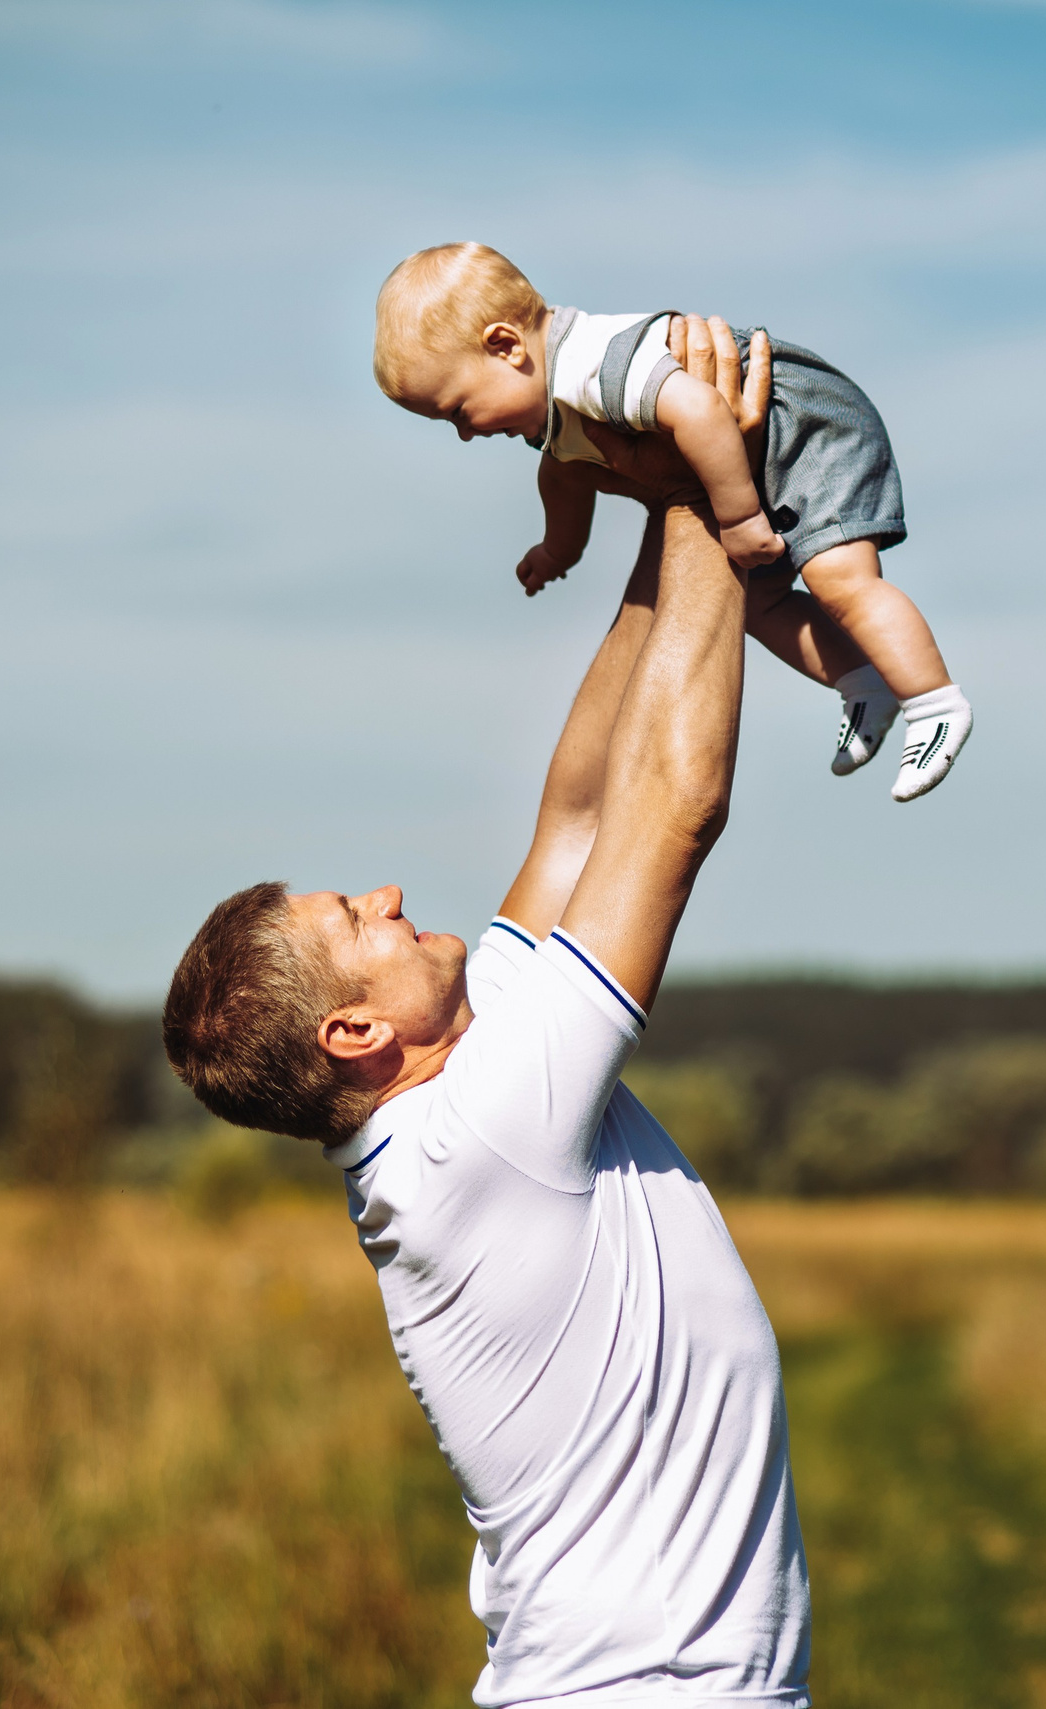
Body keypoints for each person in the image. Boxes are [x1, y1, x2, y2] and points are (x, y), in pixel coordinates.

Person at [163, 323, 810, 1707]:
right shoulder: (480, 1138)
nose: (388, 892)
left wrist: (656, 500)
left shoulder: (472, 1054)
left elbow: (582, 810)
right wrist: (722, 490)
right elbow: (672, 811)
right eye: (356, 920)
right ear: (353, 1034)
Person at [373, 241, 973, 804]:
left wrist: (737, 518)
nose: (466, 433)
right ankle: (864, 682)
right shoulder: (552, 405)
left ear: (506, 346)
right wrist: (559, 549)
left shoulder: (593, 366)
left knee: (839, 580)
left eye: (458, 410)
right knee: (757, 607)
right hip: (758, 458)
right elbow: (564, 475)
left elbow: (702, 409)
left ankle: (933, 703)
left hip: (806, 431)